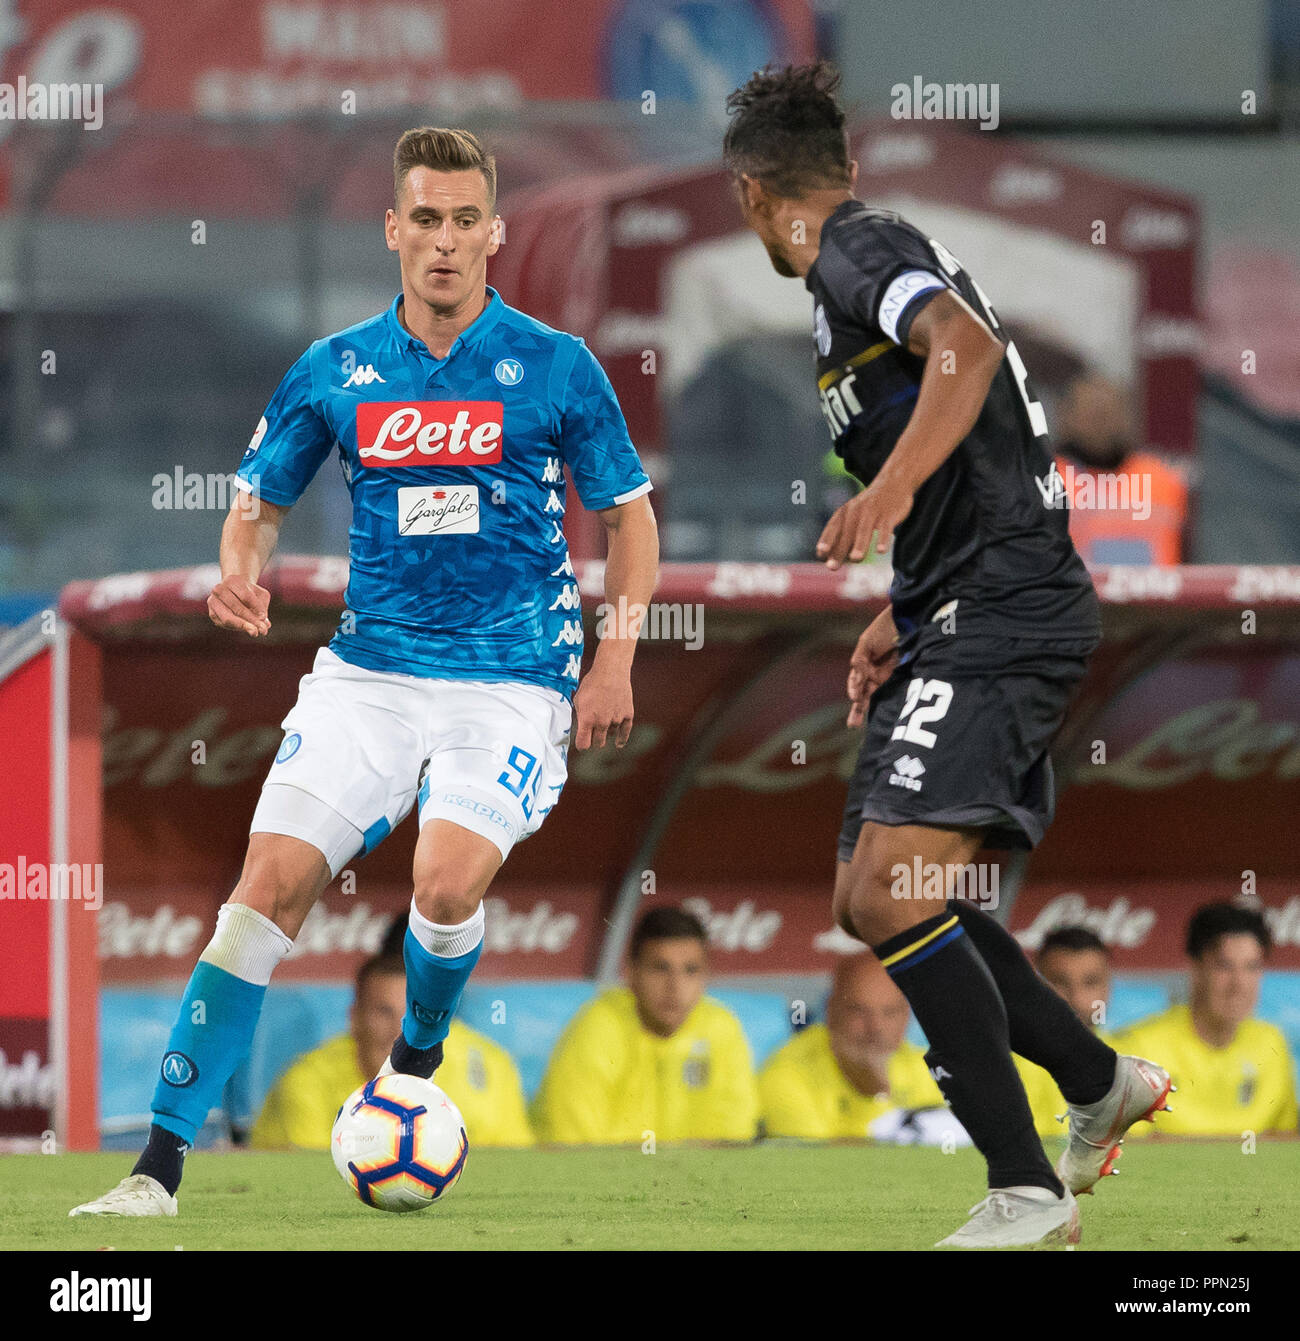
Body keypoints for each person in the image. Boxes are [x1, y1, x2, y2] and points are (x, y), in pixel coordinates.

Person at [72, 127, 658, 1217]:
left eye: (462, 220)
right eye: (423, 219)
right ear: (393, 230)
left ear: (495, 231)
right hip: (368, 675)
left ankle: (418, 1059)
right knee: (262, 894)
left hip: (512, 677)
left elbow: (630, 521)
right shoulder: (335, 368)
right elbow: (256, 499)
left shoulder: (556, 366)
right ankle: (156, 1167)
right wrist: (237, 570)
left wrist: (613, 661)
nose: (443, 241)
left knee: (443, 886)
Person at [722, 62, 1171, 1247]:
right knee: (884, 894)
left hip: (1004, 609)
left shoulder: (850, 249)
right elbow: (979, 442)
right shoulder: (859, 261)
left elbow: (966, 353)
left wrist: (886, 500)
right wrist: (902, 605)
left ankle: (1025, 1189)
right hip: (961, 606)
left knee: (884, 891)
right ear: (846, 163)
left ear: (753, 194)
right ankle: (1093, 1080)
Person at [250, 952, 533, 1150]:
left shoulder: (483, 1068)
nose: (400, 1031)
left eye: (413, 1015)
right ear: (355, 1018)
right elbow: (312, 1184)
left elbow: (514, 1159)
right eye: (384, 1012)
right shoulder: (305, 1083)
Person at [532, 908, 759, 1145]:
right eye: (661, 968)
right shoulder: (598, 1027)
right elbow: (576, 1150)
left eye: (690, 970)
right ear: (631, 973)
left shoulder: (722, 1027)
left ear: (706, 976)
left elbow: (736, 1141)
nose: (675, 986)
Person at [1120, 903, 1297, 1137]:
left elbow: (1285, 1142)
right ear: (1195, 968)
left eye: (1252, 967)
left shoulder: (1272, 1042)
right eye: (1224, 966)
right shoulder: (1140, 1048)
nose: (1239, 984)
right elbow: (1127, 1151)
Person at [760, 951, 941, 1139]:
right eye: (859, 1011)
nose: (876, 1027)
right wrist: (874, 1096)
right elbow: (816, 1164)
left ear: (906, 1016)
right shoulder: (787, 1075)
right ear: (831, 1012)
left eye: (890, 1012)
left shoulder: (925, 1066)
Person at [1053, 373, 1188, 565]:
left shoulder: (1162, 479)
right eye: (1093, 415)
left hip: (1153, 592)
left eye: (1109, 413)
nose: (1102, 425)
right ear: (1067, 418)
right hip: (1074, 593)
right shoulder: (1045, 478)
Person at [1015, 928, 1119, 1137]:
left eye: (1090, 982)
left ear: (1108, 986)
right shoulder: (997, 1056)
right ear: (1035, 984)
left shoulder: (1133, 1062)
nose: (1076, 999)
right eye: (1060, 982)